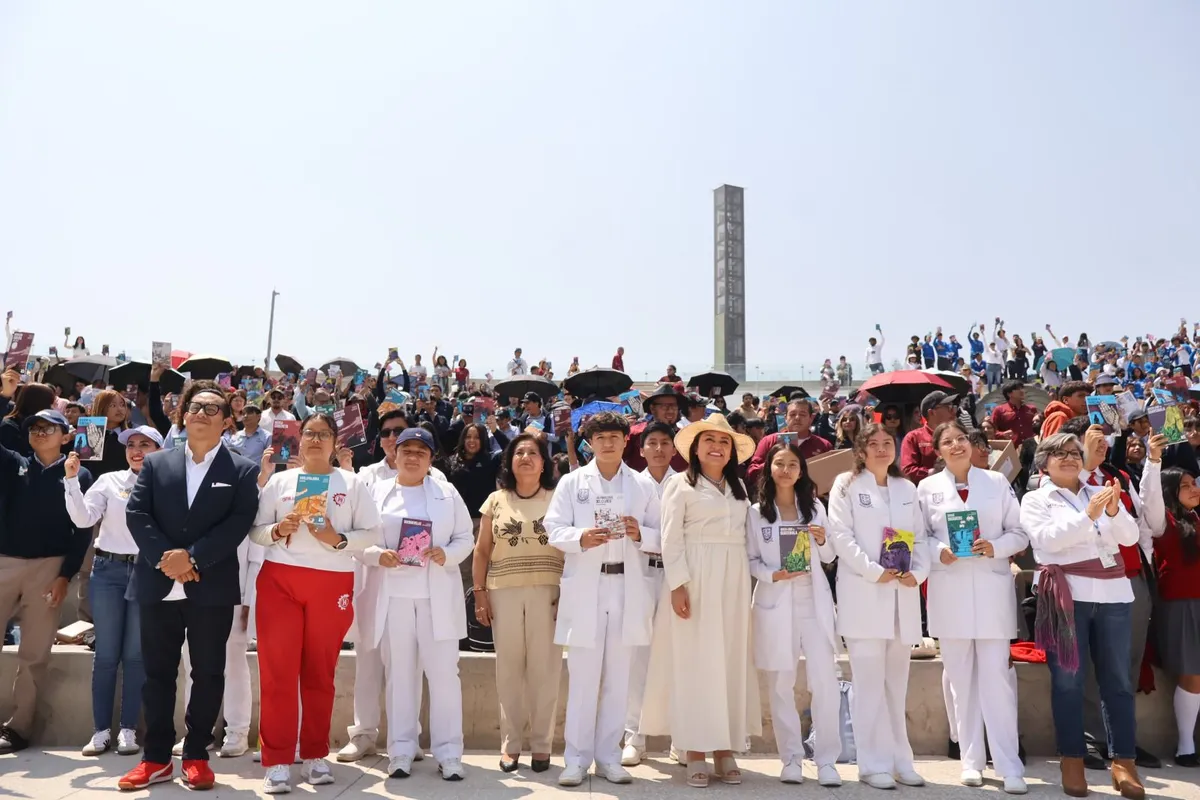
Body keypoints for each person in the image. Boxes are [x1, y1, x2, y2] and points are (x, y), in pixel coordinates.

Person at [119, 380, 260, 792]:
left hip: (210, 586)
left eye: (212, 408)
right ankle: (156, 758)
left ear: (227, 421)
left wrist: (192, 558)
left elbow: (237, 524)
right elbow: (137, 514)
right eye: (195, 406)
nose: (201, 413)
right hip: (158, 582)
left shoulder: (242, 470)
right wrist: (169, 559)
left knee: (209, 672)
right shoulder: (157, 463)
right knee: (157, 674)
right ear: (183, 414)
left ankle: (196, 754)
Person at [249, 412, 381, 794]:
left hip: (331, 581)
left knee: (320, 673)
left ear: (336, 442)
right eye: (310, 433)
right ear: (300, 439)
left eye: (324, 434)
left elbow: (372, 532)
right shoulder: (281, 481)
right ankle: (277, 760)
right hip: (281, 581)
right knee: (278, 672)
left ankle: (314, 754)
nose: (316, 440)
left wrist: (337, 539)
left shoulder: (352, 483)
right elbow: (256, 531)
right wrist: (278, 529)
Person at [1020, 433, 1144, 799]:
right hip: (1067, 597)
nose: (1069, 458)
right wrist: (1088, 517)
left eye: (1074, 453)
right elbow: (1048, 540)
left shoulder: (1099, 491)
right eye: (1059, 453)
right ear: (1044, 463)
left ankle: (1124, 762)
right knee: (1068, 682)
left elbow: (1129, 537)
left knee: (1118, 680)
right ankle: (1072, 759)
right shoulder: (1035, 498)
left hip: (1113, 594)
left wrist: (1111, 510)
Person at [641, 413, 759, 789]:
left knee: (728, 660)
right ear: (695, 448)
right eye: (709, 440)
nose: (716, 447)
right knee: (694, 661)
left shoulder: (739, 487)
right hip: (694, 576)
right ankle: (694, 750)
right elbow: (670, 537)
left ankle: (725, 748)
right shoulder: (680, 484)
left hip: (733, 578)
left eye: (724, 442)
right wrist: (678, 584)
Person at [545, 412, 661, 787]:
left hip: (628, 585)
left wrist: (640, 533)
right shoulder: (572, 482)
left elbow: (664, 535)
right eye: (600, 438)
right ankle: (576, 760)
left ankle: (609, 756)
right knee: (583, 677)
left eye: (614, 436)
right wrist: (580, 538)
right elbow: (552, 529)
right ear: (589, 443)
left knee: (619, 678)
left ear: (626, 441)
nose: (608, 443)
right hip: (587, 586)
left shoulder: (642, 486)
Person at [916, 420, 1028, 794]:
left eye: (961, 439)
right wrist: (938, 551)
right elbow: (919, 537)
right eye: (947, 441)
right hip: (949, 591)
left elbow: (1019, 533)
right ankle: (970, 760)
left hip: (992, 591)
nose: (956, 445)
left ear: (973, 444)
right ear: (938, 451)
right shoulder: (927, 488)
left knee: (997, 680)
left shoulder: (996, 483)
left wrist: (996, 547)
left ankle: (1009, 764)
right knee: (960, 681)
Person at [359, 427, 472, 782]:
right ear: (394, 454)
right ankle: (401, 750)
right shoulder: (376, 492)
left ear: (431, 459)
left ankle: (449, 753)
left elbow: (465, 537)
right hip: (393, 595)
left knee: (444, 674)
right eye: (406, 450)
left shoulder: (446, 493)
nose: (412, 457)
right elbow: (360, 541)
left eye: (421, 452)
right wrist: (378, 555)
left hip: (436, 594)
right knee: (400, 674)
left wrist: (447, 553)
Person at [827, 423, 929, 790]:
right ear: (861, 450)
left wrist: (918, 572)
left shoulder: (906, 488)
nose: (882, 449)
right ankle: (871, 764)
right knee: (869, 685)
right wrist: (873, 571)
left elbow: (920, 538)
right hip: (865, 594)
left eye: (888, 442)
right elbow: (841, 536)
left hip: (901, 595)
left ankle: (902, 760)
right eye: (874, 443)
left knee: (895, 687)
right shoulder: (846, 485)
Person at [745, 442, 843, 787]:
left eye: (792, 465)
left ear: (801, 471)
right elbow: (751, 560)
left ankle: (827, 760)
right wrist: (773, 574)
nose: (785, 470)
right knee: (780, 683)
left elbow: (830, 555)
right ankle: (790, 759)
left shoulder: (814, 507)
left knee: (825, 680)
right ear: (769, 469)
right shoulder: (756, 513)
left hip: (813, 602)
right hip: (776, 600)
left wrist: (822, 539)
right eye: (779, 464)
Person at [0, 408, 94, 754]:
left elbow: (82, 530)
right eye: (34, 427)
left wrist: (65, 576)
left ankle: (18, 728)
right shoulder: (14, 464)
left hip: (49, 568)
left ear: (66, 436)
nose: (40, 432)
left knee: (34, 653)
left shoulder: (79, 474)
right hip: (5, 562)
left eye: (49, 428)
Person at [66, 425, 163, 758]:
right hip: (107, 571)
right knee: (106, 655)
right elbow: (83, 520)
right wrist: (71, 481)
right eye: (131, 444)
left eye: (145, 444)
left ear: (159, 450)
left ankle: (127, 729)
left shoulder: (167, 484)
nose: (136, 450)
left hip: (146, 572)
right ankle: (100, 731)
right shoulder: (108, 480)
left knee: (135, 655)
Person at [472, 434, 563, 773]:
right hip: (503, 592)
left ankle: (542, 746)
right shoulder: (495, 500)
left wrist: (568, 593)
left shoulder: (559, 498)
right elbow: (482, 551)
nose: (525, 457)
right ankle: (510, 746)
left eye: (533, 453)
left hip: (549, 593)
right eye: (519, 452)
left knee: (546, 671)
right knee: (508, 671)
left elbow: (570, 548)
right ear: (509, 461)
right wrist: (480, 593)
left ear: (544, 462)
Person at [621, 421, 678, 766]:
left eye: (664, 443)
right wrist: (644, 536)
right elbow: (625, 531)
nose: (658, 449)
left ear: (674, 448)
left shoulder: (685, 483)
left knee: (677, 654)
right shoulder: (630, 485)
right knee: (638, 656)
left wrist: (644, 535)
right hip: (640, 574)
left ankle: (681, 737)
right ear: (641, 450)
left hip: (676, 576)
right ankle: (634, 736)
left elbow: (678, 537)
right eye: (651, 443)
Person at [1153, 468, 1200, 767]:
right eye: (1185, 486)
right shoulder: (1165, 521)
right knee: (1191, 672)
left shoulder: (1195, 517)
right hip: (1181, 602)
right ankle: (1185, 746)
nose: (1194, 489)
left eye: (1194, 483)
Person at [745, 398, 832, 489]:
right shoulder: (769, 441)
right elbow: (751, 474)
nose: (797, 418)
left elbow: (833, 478)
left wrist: (819, 464)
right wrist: (775, 463)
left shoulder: (823, 445)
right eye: (792, 414)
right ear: (785, 418)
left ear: (811, 418)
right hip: (774, 495)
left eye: (802, 414)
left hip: (811, 496)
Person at [622, 385, 688, 472]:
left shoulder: (685, 436)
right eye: (665, 406)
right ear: (652, 408)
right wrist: (620, 429)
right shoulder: (635, 433)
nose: (670, 410)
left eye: (674, 406)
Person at [899, 391, 959, 483]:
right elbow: (907, 471)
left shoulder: (959, 435)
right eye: (948, 407)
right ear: (931, 412)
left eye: (953, 407)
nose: (953, 411)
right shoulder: (913, 437)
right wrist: (935, 472)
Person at [991, 381, 1038, 446]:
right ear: (1009, 394)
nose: (1022, 391)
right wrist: (1002, 434)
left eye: (1022, 388)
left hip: (1031, 447)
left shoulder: (1032, 409)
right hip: (1011, 448)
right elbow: (991, 431)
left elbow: (1039, 428)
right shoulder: (999, 410)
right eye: (1018, 389)